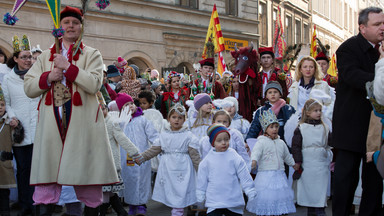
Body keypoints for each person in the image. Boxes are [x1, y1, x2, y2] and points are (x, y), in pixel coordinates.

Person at [24, 6, 118, 215]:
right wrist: (48, 77)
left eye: (75, 23)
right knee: (48, 177)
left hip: (82, 123)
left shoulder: (92, 54)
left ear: (81, 27)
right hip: (52, 122)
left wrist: (68, 67)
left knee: (88, 176)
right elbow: (29, 88)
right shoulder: (46, 56)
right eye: (66, 22)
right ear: (59, 27)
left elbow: (94, 84)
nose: (71, 26)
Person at [332, 7, 384, 216]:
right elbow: (352, 75)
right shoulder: (348, 48)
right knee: (346, 179)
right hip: (351, 125)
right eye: (377, 24)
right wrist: (378, 81)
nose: (383, 28)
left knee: (374, 180)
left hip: (376, 126)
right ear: (362, 28)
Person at [137, 104, 200, 216]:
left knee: (181, 192)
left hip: (183, 169)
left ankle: (177, 212)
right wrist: (142, 157)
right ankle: (176, 211)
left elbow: (194, 155)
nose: (177, 120)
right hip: (168, 168)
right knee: (171, 191)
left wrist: (200, 170)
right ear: (168, 119)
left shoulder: (188, 136)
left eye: (180, 118)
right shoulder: (164, 135)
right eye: (174, 117)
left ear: (184, 120)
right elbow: (154, 150)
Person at [3, 35, 38, 216]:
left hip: (39, 129)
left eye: (30, 57)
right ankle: (26, 204)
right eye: (24, 57)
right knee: (23, 169)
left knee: (38, 169)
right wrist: (13, 118)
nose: (28, 60)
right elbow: (7, 103)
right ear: (15, 58)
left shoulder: (37, 75)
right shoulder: (8, 80)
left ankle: (40, 202)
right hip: (20, 131)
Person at [196, 124, 256, 216]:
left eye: (226, 139)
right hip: (214, 200)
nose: (223, 143)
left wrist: (249, 189)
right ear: (213, 143)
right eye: (219, 140)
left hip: (233, 199)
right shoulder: (208, 160)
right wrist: (201, 192)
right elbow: (202, 178)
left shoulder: (234, 156)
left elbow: (243, 174)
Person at [246, 109, 298, 216]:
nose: (274, 129)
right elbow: (256, 152)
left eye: (276, 127)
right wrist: (254, 161)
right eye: (271, 127)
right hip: (265, 174)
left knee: (279, 195)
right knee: (267, 196)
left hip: (279, 174)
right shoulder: (261, 142)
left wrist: (293, 164)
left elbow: (287, 156)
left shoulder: (281, 142)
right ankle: (267, 212)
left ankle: (278, 212)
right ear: (265, 129)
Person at [115, 93, 159, 216]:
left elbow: (153, 135)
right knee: (129, 181)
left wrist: (158, 145)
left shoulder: (143, 119)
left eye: (131, 103)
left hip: (142, 156)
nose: (130, 106)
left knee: (142, 180)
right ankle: (132, 205)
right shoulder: (120, 123)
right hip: (125, 158)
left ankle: (141, 205)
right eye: (126, 105)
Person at [291, 99, 332, 216]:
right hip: (308, 163)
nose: (319, 113)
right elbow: (296, 146)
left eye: (320, 110)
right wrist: (298, 161)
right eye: (315, 111)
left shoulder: (325, 128)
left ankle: (320, 211)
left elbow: (330, 142)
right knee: (310, 191)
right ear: (308, 112)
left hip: (321, 163)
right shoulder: (301, 128)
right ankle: (312, 212)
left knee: (320, 190)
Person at [100, 103, 141, 216]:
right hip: (98, 164)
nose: (101, 111)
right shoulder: (93, 124)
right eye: (97, 109)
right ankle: (121, 212)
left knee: (106, 192)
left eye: (103, 108)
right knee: (108, 192)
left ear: (107, 109)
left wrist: (135, 153)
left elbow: (122, 139)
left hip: (110, 163)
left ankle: (110, 212)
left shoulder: (112, 123)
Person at [288, 56, 334, 121]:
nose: (308, 69)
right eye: (305, 67)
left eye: (311, 67)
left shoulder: (323, 85)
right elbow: (292, 106)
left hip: (317, 123)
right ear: (300, 69)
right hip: (297, 123)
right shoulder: (294, 86)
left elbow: (329, 106)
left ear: (315, 69)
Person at [0, 84, 17, 216]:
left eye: (2, 104)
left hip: (4, 164)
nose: (0, 107)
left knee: (4, 192)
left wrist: (16, 125)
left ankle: (5, 211)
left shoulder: (8, 123)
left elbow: (17, 138)